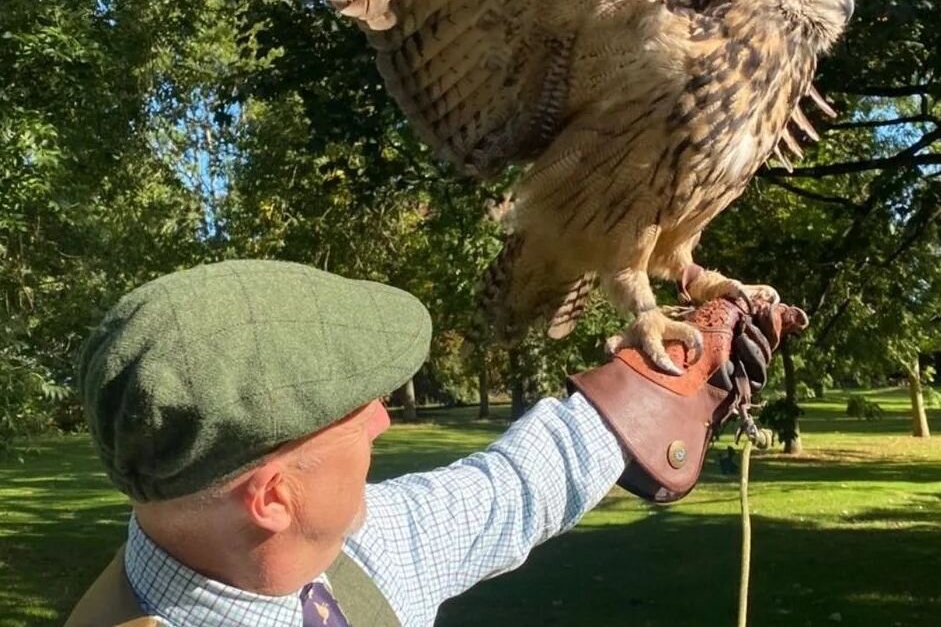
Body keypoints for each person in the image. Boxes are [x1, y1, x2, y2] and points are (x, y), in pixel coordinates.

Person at [65, 259, 802, 627]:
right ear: (273, 497)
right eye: (355, 416)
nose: (384, 422)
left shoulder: (347, 553)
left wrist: (657, 381)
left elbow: (507, 492)